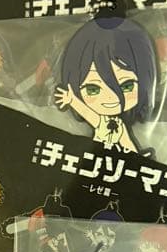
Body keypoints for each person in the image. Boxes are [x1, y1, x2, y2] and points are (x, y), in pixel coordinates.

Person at [55, 11, 156, 154]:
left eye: (127, 86)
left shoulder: (120, 125)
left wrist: (137, 159)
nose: (111, 98)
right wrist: (71, 100)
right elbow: (86, 112)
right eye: (93, 89)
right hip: (96, 157)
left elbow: (127, 143)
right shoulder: (101, 122)